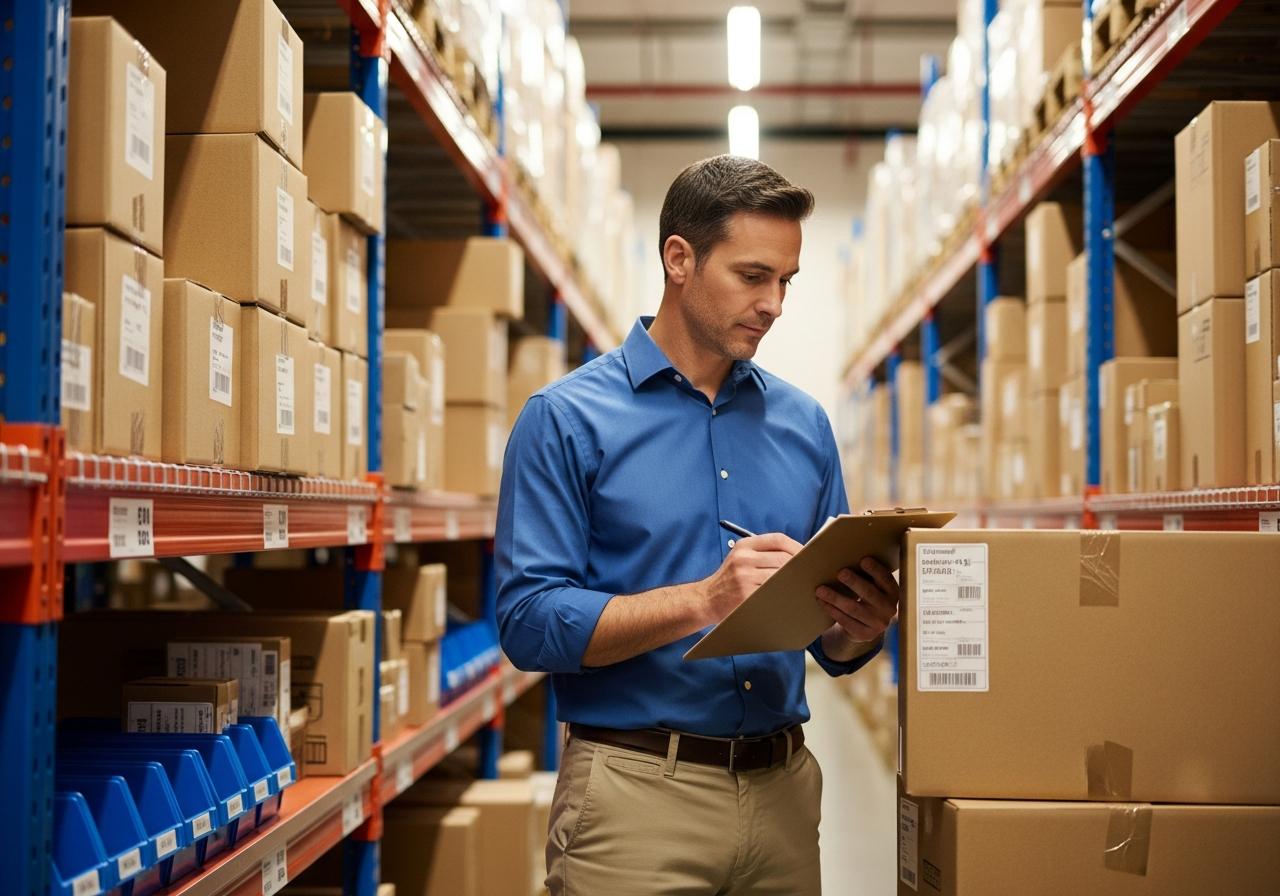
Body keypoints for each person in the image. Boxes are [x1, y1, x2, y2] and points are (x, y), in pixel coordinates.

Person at [495, 155, 901, 895]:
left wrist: (861, 625)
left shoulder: (804, 425)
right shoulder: (565, 420)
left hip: (783, 796)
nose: (774, 303)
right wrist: (705, 600)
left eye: (786, 281)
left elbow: (833, 645)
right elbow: (527, 623)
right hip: (635, 798)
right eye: (753, 276)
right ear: (678, 259)